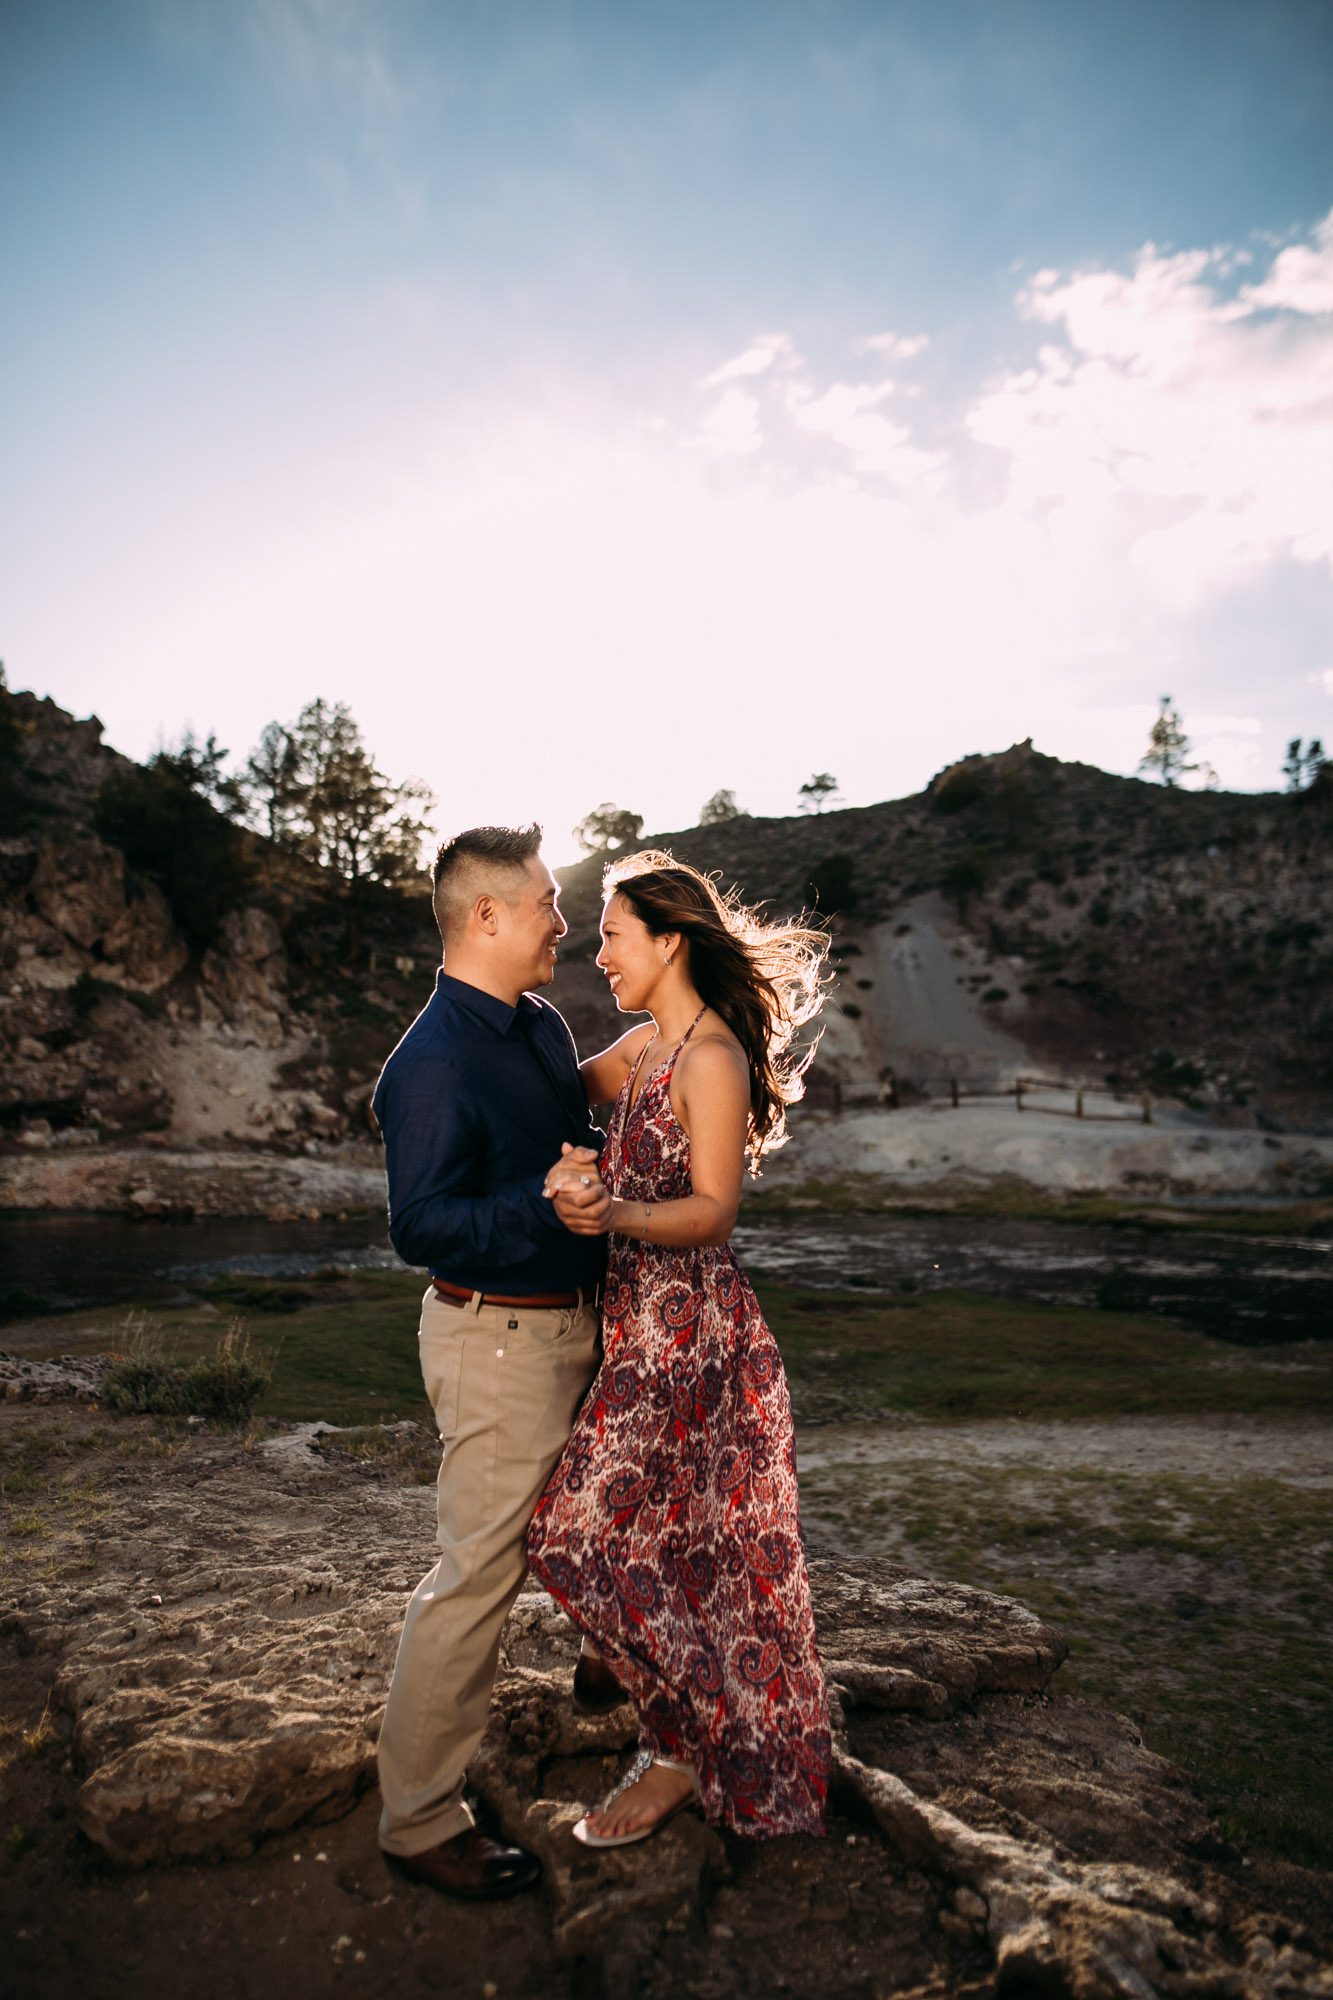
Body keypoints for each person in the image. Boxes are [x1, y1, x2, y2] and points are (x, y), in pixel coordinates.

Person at [526, 849, 832, 1846]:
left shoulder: (708, 1057)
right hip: (633, 1330)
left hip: (691, 1338)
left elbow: (710, 1212)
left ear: (665, 938)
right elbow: (547, 1092)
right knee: (646, 1544)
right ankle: (659, 1703)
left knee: (574, 1537)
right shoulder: (643, 1047)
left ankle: (680, 1740)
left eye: (612, 933)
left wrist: (606, 1206)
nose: (599, 953)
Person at [372, 824, 610, 1899]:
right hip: (495, 1338)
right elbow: (420, 1224)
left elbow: (553, 1130)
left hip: (571, 1319)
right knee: (476, 1575)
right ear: (486, 916)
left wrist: (622, 1068)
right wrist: (538, 1203)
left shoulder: (544, 1025)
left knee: (620, 1502)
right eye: (549, 904)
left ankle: (615, 1662)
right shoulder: (428, 1062)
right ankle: (417, 1819)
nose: (563, 923)